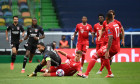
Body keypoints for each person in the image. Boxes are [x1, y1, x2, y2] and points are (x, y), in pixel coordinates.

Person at [82, 13, 121, 78]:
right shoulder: (116, 24)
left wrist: (107, 50)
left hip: (111, 46)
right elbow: (119, 34)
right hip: (117, 46)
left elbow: (110, 38)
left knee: (94, 56)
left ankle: (86, 74)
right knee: (104, 57)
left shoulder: (109, 26)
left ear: (107, 18)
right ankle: (110, 73)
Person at [96, 10, 125, 74]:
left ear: (114, 15)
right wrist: (100, 36)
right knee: (104, 56)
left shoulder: (118, 23)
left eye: (112, 14)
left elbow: (122, 31)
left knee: (105, 56)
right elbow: (102, 29)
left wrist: (122, 40)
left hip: (111, 43)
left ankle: (101, 70)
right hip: (105, 41)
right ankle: (106, 70)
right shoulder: (105, 22)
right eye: (110, 14)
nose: (111, 15)